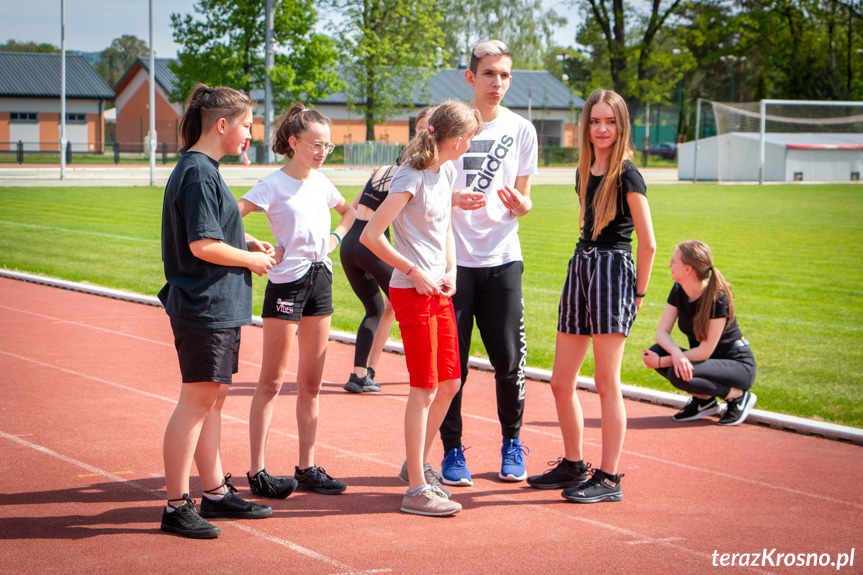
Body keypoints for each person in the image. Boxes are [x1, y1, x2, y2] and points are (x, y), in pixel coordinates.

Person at [159, 84, 277, 539]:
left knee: (212, 401)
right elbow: (200, 245)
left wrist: (243, 241)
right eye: (248, 125)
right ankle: (175, 504)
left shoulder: (203, 170)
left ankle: (214, 491)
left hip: (217, 305)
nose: (251, 133)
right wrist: (251, 260)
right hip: (204, 306)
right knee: (196, 402)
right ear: (223, 125)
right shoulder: (198, 172)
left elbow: (211, 231)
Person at [527, 88, 655, 504]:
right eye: (595, 121)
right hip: (581, 265)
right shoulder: (583, 171)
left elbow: (648, 243)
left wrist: (637, 295)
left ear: (621, 126)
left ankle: (610, 477)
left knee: (605, 381)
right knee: (561, 381)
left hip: (613, 270)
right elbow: (585, 225)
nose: (602, 129)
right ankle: (573, 463)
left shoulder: (629, 174)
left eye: (610, 121)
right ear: (586, 126)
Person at [361, 100, 482, 516]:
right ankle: (415, 489)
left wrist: (451, 268)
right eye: (468, 138)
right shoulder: (409, 176)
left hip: (439, 290)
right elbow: (372, 237)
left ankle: (415, 466)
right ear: (453, 137)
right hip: (411, 292)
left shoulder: (445, 170)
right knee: (424, 387)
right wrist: (413, 270)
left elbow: (445, 225)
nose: (470, 144)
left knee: (450, 382)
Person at [239, 103, 355, 499]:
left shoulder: (322, 183)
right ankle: (257, 471)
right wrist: (253, 244)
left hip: (320, 280)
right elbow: (228, 216)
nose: (323, 152)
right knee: (271, 382)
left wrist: (336, 240)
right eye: (316, 144)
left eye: (329, 145)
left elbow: (349, 212)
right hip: (286, 286)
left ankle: (306, 467)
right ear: (294, 142)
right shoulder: (272, 184)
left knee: (311, 383)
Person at [440, 40, 538, 486]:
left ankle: (512, 443)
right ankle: (453, 451)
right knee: (451, 367)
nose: (497, 83)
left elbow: (526, 199)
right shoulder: (446, 126)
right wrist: (452, 197)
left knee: (509, 360)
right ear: (470, 78)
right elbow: (422, 190)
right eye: (488, 74)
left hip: (502, 261)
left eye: (504, 75)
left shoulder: (522, 130)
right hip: (454, 264)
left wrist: (522, 205)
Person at [340, 106, 434, 394]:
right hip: (371, 245)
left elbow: (354, 206)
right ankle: (417, 367)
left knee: (376, 308)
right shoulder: (407, 177)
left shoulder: (380, 170)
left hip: (350, 243)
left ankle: (360, 374)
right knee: (405, 303)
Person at [640, 240, 757, 426]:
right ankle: (704, 402)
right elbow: (661, 333)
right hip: (703, 362)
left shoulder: (718, 298)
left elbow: (705, 352)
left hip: (736, 365)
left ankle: (737, 396)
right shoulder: (679, 290)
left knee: (676, 372)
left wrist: (662, 362)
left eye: (673, 260)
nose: (669, 264)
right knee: (658, 349)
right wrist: (676, 354)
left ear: (688, 269)